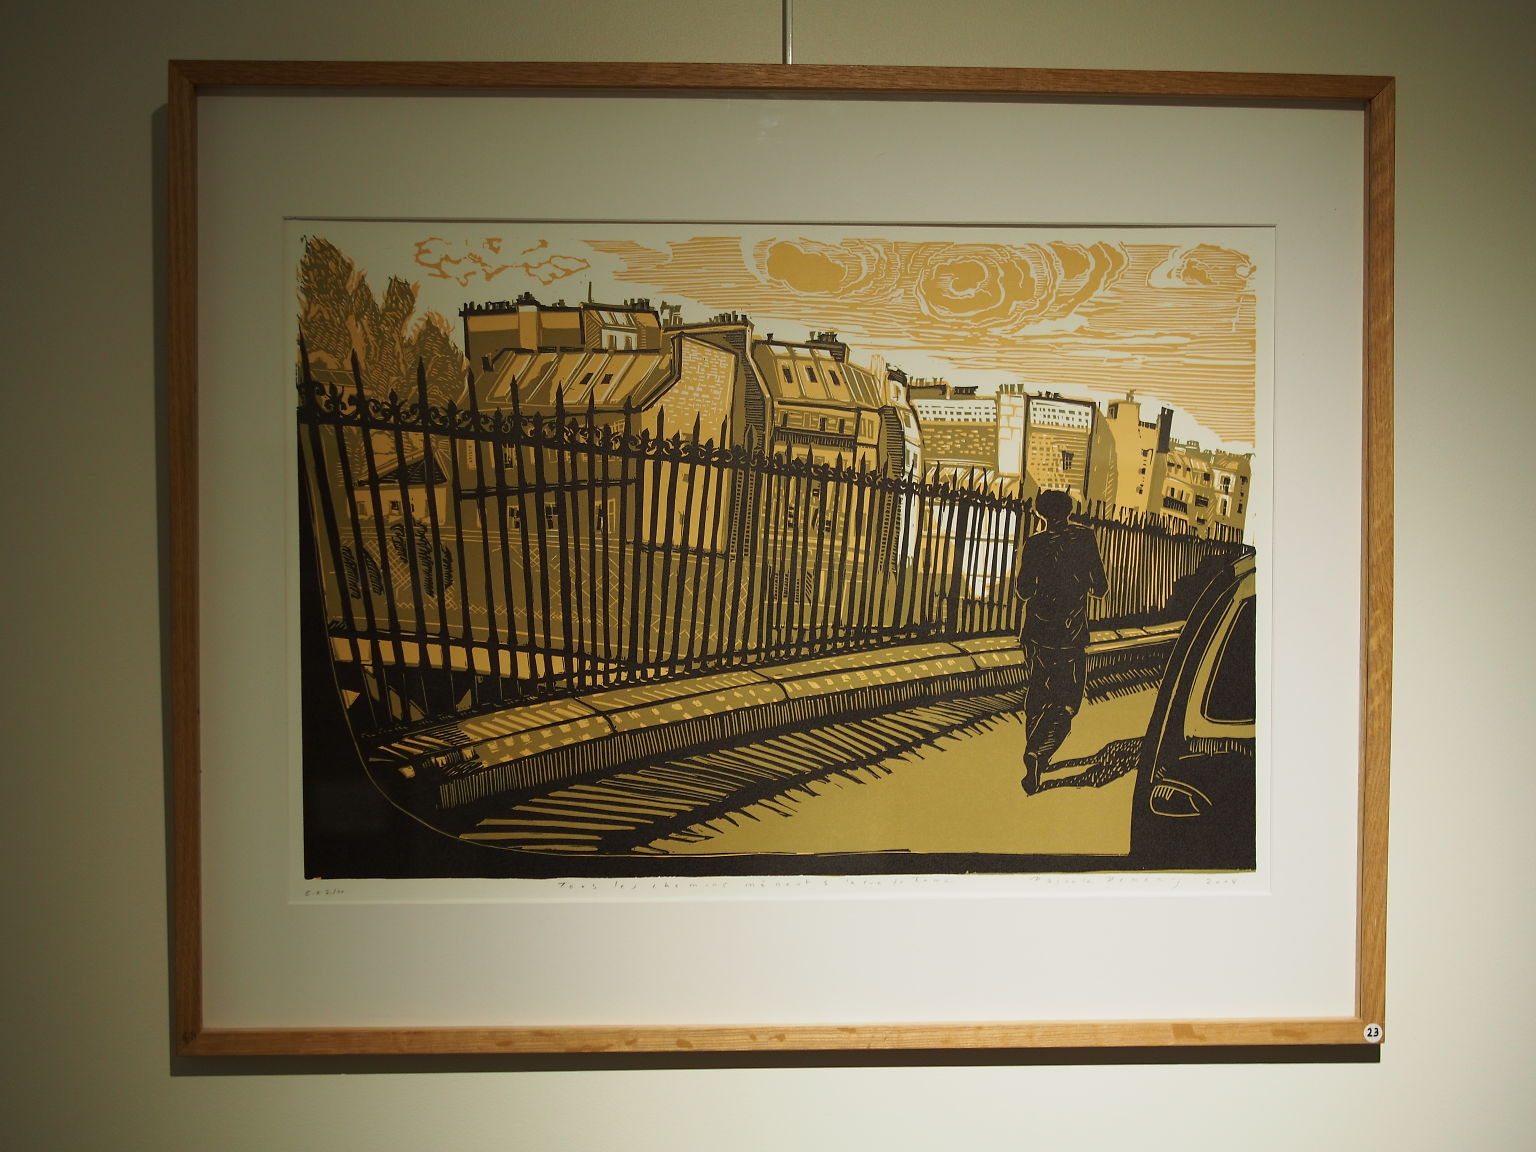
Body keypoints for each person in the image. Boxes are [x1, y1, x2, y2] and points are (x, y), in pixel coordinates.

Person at [1015, 489, 1108, 795]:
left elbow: (1023, 590)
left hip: (1037, 632)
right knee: (1066, 703)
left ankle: (1035, 754)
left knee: (1038, 694)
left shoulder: (1034, 543)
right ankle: (1038, 753)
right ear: (1069, 511)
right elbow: (1101, 587)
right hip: (1070, 633)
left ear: (1041, 514)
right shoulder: (1084, 538)